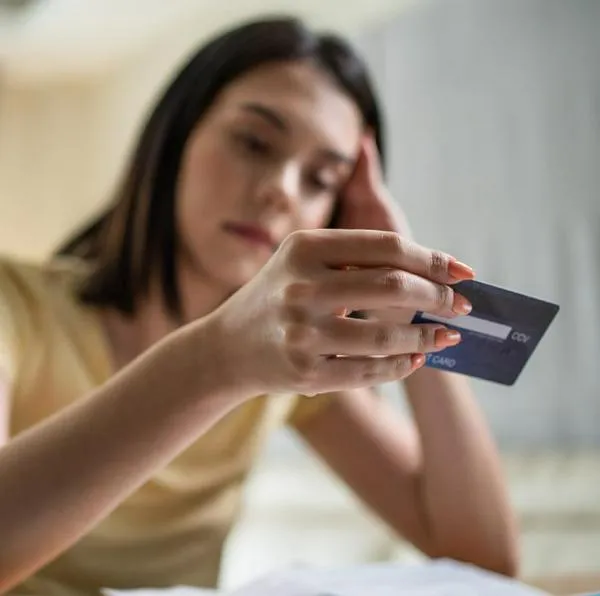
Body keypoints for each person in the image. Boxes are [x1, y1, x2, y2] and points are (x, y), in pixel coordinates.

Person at [0, 16, 518, 596]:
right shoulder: (13, 308)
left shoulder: (282, 372)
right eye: (254, 143)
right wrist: (217, 359)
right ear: (174, 141)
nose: (283, 191)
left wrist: (416, 301)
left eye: (322, 179)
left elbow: (481, 560)